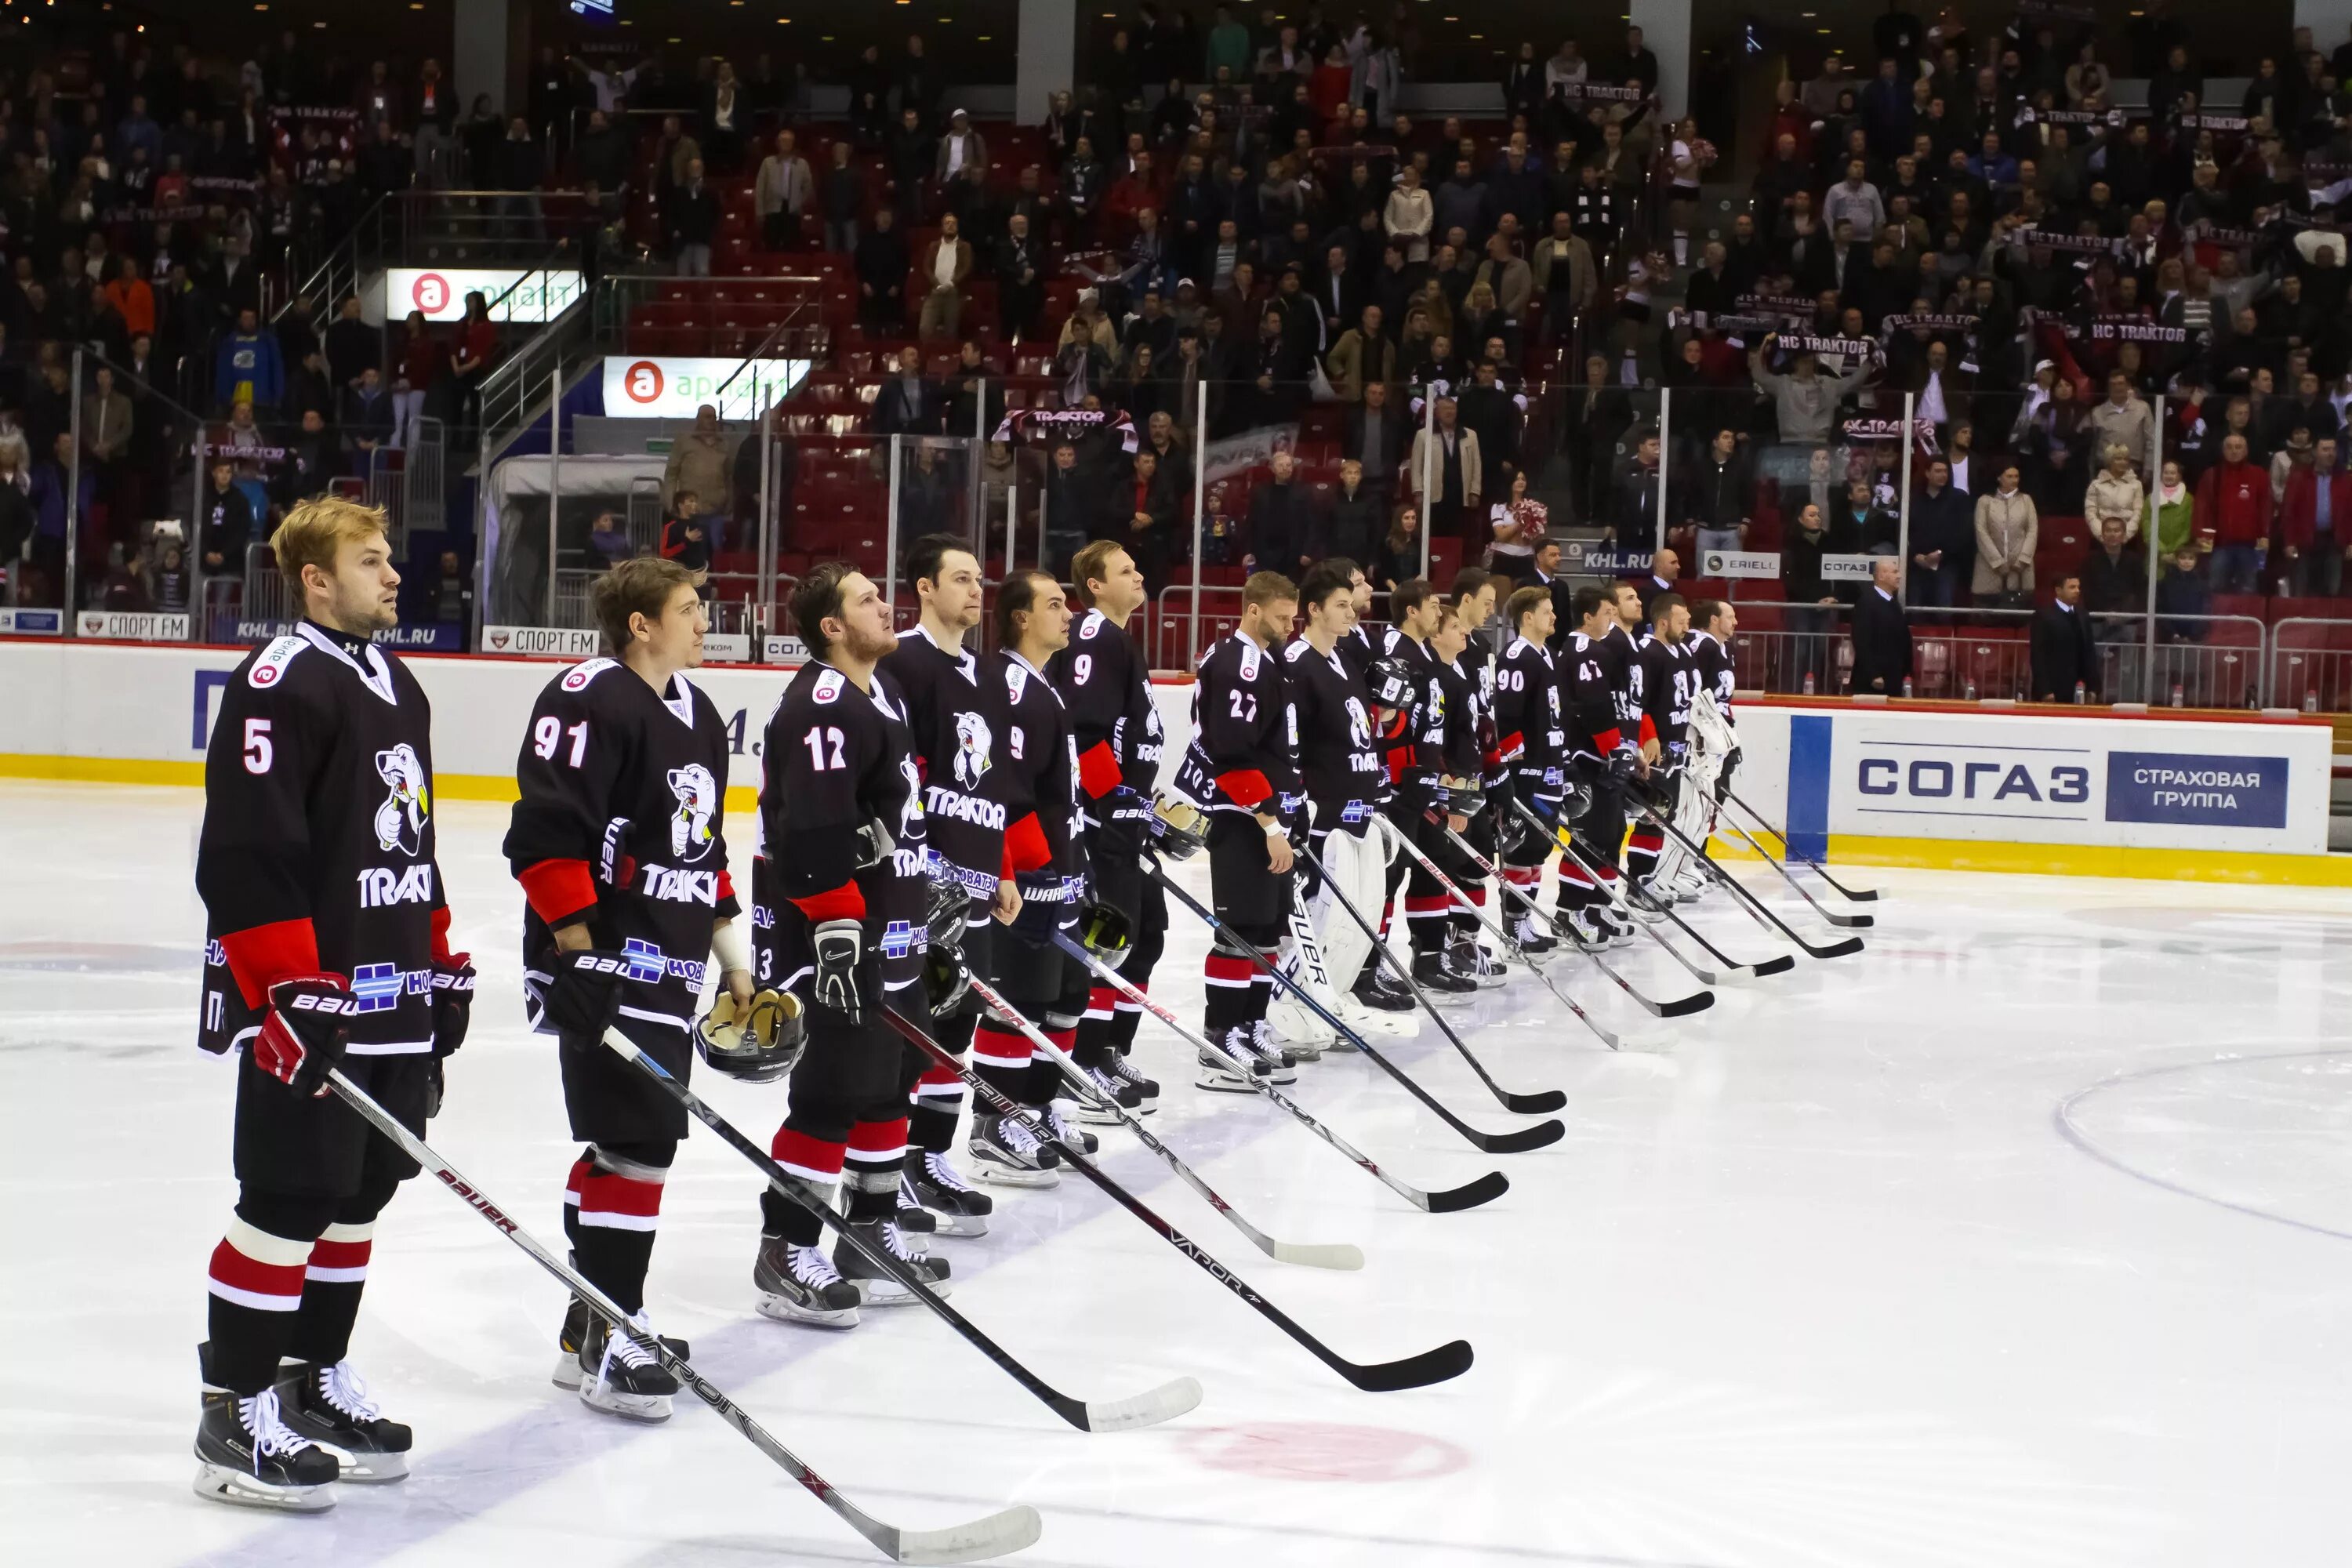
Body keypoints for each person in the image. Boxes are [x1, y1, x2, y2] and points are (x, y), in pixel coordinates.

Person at [191, 496, 470, 1509]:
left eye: (390, 557)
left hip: (387, 991)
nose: (394, 575)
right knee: (288, 1197)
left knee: (361, 1195)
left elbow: (411, 845)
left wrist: (437, 957)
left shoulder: (397, 681)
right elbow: (248, 855)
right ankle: (235, 1409)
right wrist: (289, 989)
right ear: (315, 579)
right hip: (312, 1003)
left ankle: (311, 1383)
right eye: (369, 560)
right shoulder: (278, 681)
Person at [500, 556, 746, 1416]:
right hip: (605, 959)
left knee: (629, 1142)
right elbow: (545, 832)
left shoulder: (701, 712)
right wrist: (576, 949)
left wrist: (736, 961)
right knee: (639, 1141)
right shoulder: (587, 694)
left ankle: (590, 1320)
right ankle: (614, 1329)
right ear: (640, 622)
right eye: (687, 608)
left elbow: (703, 850)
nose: (702, 620)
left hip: (672, 964)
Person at [750, 563, 953, 1330]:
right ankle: (787, 1243)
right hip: (833, 935)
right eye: (866, 599)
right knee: (834, 1089)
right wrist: (837, 935)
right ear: (832, 627)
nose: (884, 605)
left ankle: (868, 1231)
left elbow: (882, 818)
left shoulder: (881, 691)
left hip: (889, 923)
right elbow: (813, 836)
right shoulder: (824, 703)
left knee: (891, 1077)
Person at [876, 535, 1010, 1236]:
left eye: (979, 579)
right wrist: (922, 873)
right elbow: (901, 777)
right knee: (912, 1031)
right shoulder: (904, 662)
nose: (975, 590)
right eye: (961, 579)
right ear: (924, 587)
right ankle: (887, 1165)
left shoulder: (983, 673)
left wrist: (1004, 869)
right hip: (925, 889)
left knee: (957, 1026)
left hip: (978, 884)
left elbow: (990, 786)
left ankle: (927, 1155)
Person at [969, 572, 1101, 1162]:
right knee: (1019, 999)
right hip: (1030, 880)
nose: (1068, 614)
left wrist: (1079, 865)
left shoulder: (1042, 684)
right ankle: (996, 1122)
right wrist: (1035, 871)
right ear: (1021, 617)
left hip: (1062, 872)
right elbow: (1008, 792)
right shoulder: (1008, 686)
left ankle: (1042, 1109)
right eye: (1054, 605)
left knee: (1065, 994)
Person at [1174, 571, 1308, 1085]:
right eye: (1281, 616)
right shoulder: (1238, 662)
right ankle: (1220, 1037)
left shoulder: (1266, 661)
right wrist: (1270, 823)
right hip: (1242, 819)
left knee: (1266, 932)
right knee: (1237, 934)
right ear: (1253, 610)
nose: (1289, 626)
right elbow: (1232, 753)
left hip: (1269, 815)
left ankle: (1250, 1023)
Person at [1049, 541, 1170, 1110]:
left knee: (1146, 936)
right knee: (1109, 942)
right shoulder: (1096, 636)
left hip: (1125, 820)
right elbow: (1085, 731)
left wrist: (1142, 807)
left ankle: (1110, 1052)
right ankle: (1088, 1062)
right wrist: (1112, 805)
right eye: (1126, 569)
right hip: (1101, 825)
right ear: (1094, 585)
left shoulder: (1118, 639)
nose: (1139, 574)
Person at [1553, 584, 1642, 948]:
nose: (1612, 618)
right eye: (1607, 612)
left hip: (1599, 757)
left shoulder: (1594, 650)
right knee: (1591, 838)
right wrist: (1615, 749)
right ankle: (1570, 911)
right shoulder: (1584, 649)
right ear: (1588, 616)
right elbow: (1592, 706)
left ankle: (1595, 903)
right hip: (1587, 760)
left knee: (1611, 833)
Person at [1491, 583, 1566, 950]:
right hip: (1528, 770)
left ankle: (1527, 919)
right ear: (1528, 617)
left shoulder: (1546, 655)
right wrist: (1515, 755)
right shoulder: (1517, 656)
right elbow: (1504, 714)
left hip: (1548, 764)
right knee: (1523, 848)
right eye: (1547, 611)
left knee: (1540, 847)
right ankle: (1514, 924)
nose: (1554, 616)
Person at [1625, 592, 1696, 893]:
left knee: (1664, 813)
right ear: (1663, 622)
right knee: (1651, 814)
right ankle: (1638, 881)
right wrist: (1649, 735)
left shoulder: (1681, 653)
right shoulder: (1648, 653)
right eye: (1681, 622)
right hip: (1656, 749)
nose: (1687, 627)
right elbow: (1637, 702)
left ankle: (1647, 878)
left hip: (1676, 748)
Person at [2281, 436, 2352, 598]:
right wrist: (2289, 542)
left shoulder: (2345, 480)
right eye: (2325, 449)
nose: (2330, 454)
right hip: (2305, 542)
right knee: (2301, 589)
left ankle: (2329, 623)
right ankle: (2298, 623)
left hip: (2334, 541)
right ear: (2315, 452)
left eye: (2333, 449)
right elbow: (2288, 513)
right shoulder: (2299, 477)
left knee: (2333, 591)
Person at [1908, 457, 1973, 607]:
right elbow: (1906, 531)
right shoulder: (1914, 498)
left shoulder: (1959, 498)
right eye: (1938, 471)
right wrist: (1914, 555)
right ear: (1927, 473)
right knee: (1914, 607)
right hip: (1917, 563)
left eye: (1945, 471)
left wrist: (1940, 554)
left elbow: (1963, 533)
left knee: (1943, 606)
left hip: (1946, 563)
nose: (1943, 475)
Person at [1972, 464, 2038, 607]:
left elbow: (2032, 531)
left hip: (2019, 567)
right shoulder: (1985, 501)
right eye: (2010, 476)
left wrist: (2022, 560)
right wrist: (1997, 562)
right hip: (1989, 567)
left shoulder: (2026, 500)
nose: (2014, 480)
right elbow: (1981, 531)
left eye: (2016, 476)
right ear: (1999, 478)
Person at [2031, 572, 2100, 702]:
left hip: (2079, 688)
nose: (2077, 591)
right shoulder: (2044, 616)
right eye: (2072, 587)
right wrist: (2045, 690)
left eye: (2078, 587)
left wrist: (2093, 687)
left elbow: (2089, 652)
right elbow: (2038, 656)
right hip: (2054, 688)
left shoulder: (2083, 615)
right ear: (2058, 590)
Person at [1849, 556, 1912, 695]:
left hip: (1893, 679)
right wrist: (1873, 674)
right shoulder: (1866, 603)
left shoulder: (1893, 604)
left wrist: (1906, 671)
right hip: (1873, 684)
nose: (1900, 576)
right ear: (1882, 575)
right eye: (1895, 572)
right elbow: (1861, 640)